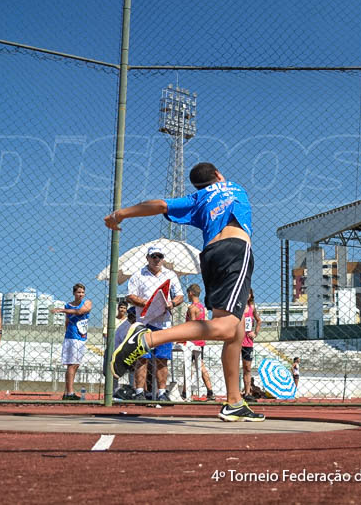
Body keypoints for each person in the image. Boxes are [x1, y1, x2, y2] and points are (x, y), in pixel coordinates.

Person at [105, 162, 264, 422]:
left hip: (211, 255)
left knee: (233, 332)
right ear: (218, 175)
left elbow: (159, 205)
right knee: (225, 327)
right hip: (235, 250)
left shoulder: (197, 197)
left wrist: (120, 214)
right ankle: (148, 340)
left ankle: (234, 401)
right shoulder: (235, 187)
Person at [125, 246, 184, 401]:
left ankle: (162, 393)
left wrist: (172, 303)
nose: (157, 259)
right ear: (148, 258)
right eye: (154, 256)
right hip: (143, 323)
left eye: (159, 256)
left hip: (163, 323)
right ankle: (139, 392)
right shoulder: (138, 275)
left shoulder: (170, 275)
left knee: (162, 358)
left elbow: (180, 296)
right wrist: (147, 303)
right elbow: (130, 296)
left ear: (163, 258)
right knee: (142, 357)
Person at [52, 283, 92, 400]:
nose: (81, 295)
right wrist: (67, 333)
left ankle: (68, 391)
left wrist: (63, 310)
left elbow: (81, 312)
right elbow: (67, 321)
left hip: (82, 337)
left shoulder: (87, 303)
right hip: (72, 337)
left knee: (76, 365)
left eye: (82, 292)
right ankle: (69, 392)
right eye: (78, 292)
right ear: (74, 293)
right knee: (71, 364)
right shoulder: (68, 305)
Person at [185, 283, 215, 401]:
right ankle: (210, 390)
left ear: (190, 293)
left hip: (192, 341)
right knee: (200, 365)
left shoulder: (192, 308)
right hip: (200, 340)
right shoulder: (202, 307)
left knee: (189, 366)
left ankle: (186, 391)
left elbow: (191, 325)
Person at [241, 291, 260, 401]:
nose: (246, 295)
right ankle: (234, 392)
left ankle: (247, 393)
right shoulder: (237, 307)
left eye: (248, 293)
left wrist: (255, 333)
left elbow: (259, 321)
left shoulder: (252, 307)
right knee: (233, 368)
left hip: (248, 342)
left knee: (247, 368)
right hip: (236, 340)